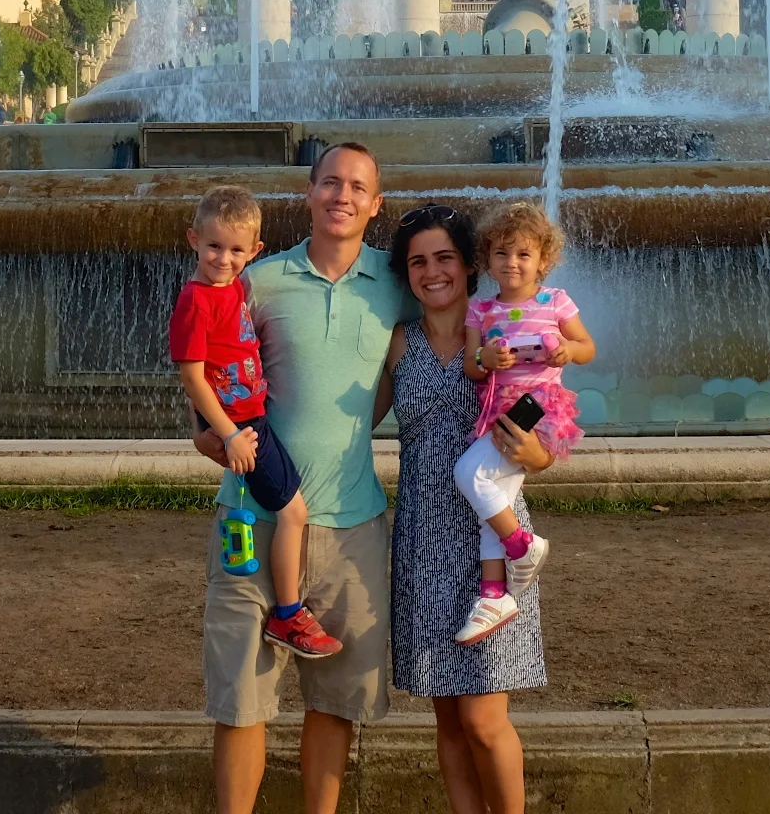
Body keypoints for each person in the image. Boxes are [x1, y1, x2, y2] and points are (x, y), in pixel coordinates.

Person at [191, 141, 402, 814]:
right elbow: (210, 384)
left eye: (357, 187)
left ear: (376, 204)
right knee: (241, 702)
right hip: (250, 517)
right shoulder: (258, 279)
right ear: (309, 193)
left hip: (353, 525)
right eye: (330, 182)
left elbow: (415, 367)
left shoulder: (397, 283)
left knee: (336, 701)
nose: (342, 195)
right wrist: (215, 439)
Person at [384, 202, 555, 814]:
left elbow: (543, 435)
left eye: (444, 258)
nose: (433, 272)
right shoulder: (398, 342)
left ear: (469, 265)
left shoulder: (510, 334)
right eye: (418, 262)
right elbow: (347, 417)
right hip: (421, 538)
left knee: (484, 718)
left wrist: (538, 456)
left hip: (488, 542)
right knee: (449, 721)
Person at [169, 185, 342, 658]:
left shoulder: (233, 288)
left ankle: (288, 610)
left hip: (247, 420)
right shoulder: (196, 301)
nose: (224, 258)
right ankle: (288, 615)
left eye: (236, 250)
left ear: (255, 252)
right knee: (293, 513)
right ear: (193, 240)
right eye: (214, 247)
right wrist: (225, 435)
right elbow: (192, 378)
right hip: (243, 427)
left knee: (291, 508)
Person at [453, 201, 593, 644]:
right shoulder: (481, 310)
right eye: (502, 254)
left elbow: (587, 346)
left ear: (543, 261)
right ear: (487, 258)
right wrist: (486, 358)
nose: (512, 263)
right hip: (499, 410)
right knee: (496, 505)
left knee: (467, 474)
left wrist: (568, 351)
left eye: (523, 254)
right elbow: (471, 367)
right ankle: (494, 594)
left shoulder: (555, 301)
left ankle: (521, 547)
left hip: (538, 409)